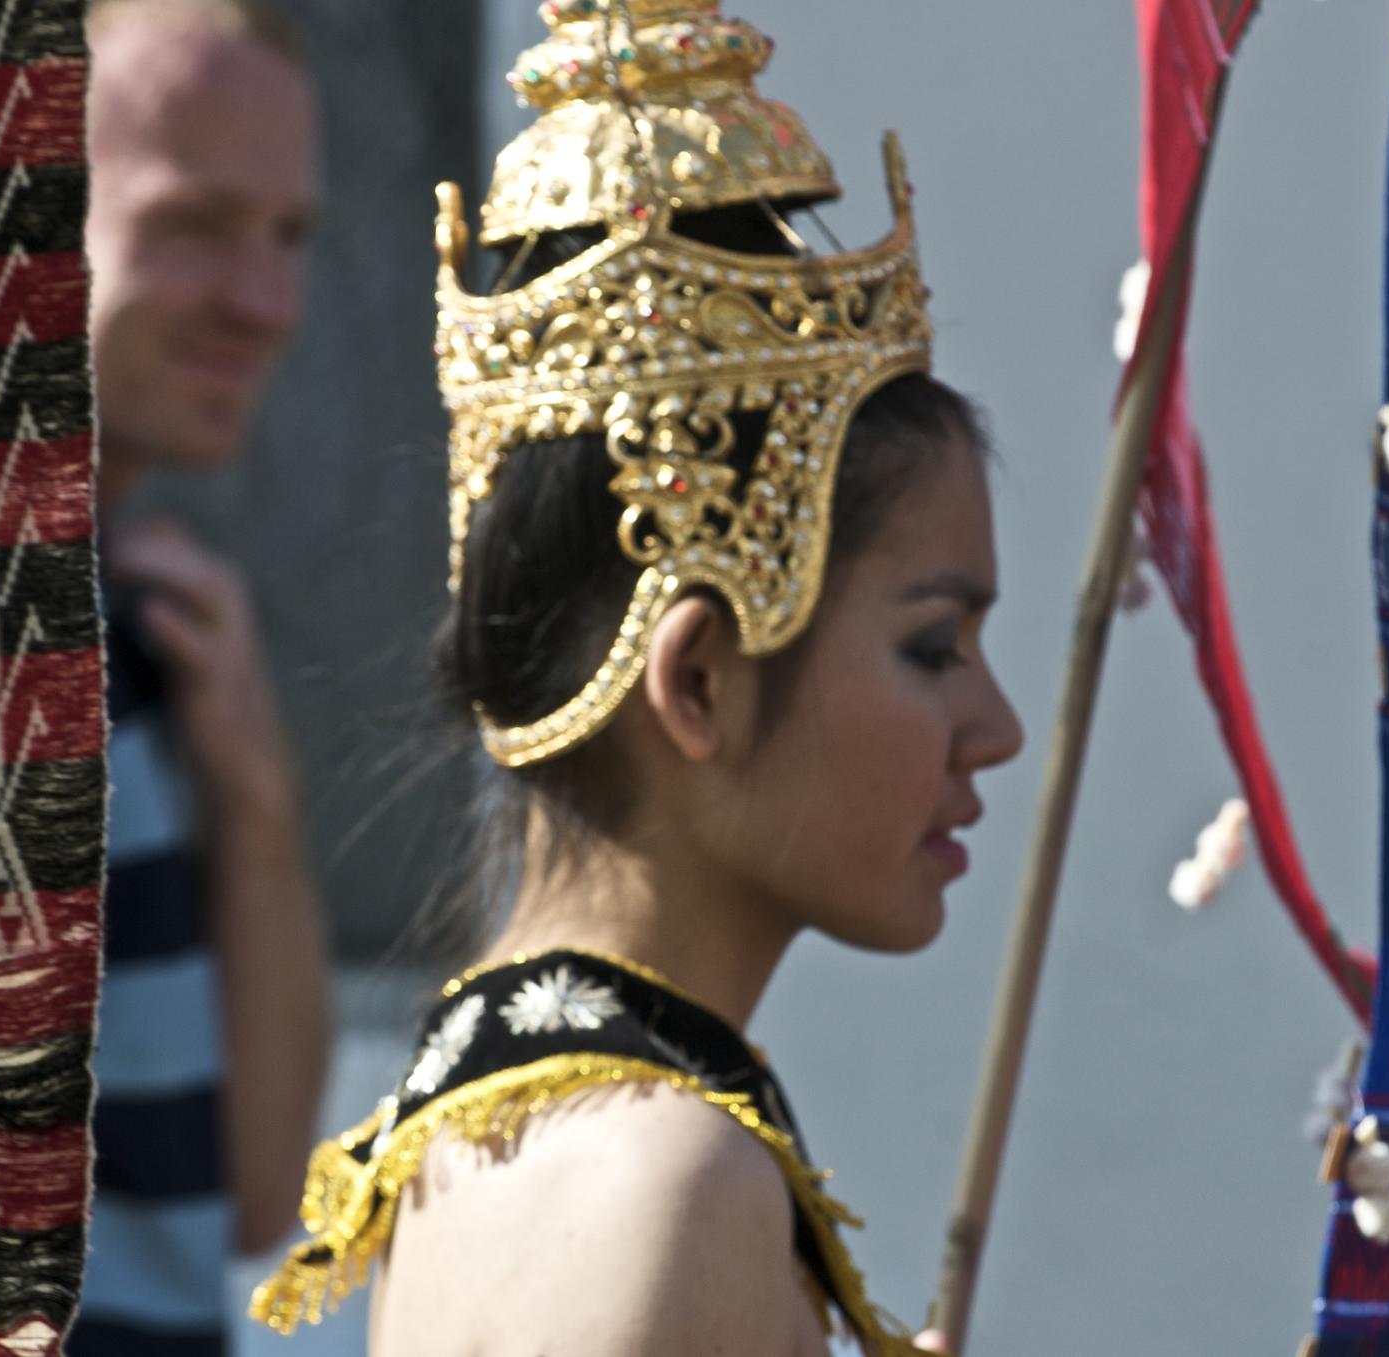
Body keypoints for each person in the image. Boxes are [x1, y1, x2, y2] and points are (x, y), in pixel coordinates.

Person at [249, 4, 1017, 1354]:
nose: (996, 729)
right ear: (704, 678)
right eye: (932, 648)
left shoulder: (471, 1118)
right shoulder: (664, 1177)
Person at [75, 0, 329, 1351]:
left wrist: (255, 794)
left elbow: (258, 1193)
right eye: (194, 224)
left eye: (289, 237)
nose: (267, 303)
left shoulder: (162, 623)